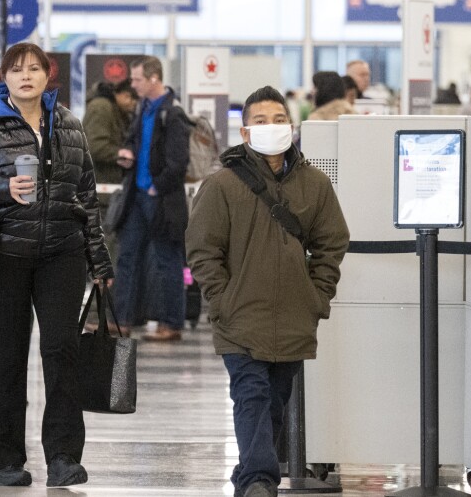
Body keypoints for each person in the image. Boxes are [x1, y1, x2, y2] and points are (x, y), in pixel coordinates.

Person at [0, 43, 113, 488]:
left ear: (46, 75)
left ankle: (63, 457)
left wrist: (99, 259)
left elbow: (86, 196)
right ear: (4, 75)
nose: (25, 76)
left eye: (34, 69)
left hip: (62, 253)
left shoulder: (68, 124)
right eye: (16, 69)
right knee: (9, 354)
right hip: (2, 253)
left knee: (61, 350)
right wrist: (3, 188)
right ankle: (5, 460)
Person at [187, 86, 350, 497]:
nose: (271, 127)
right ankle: (260, 480)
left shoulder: (314, 184)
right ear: (245, 132)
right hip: (240, 316)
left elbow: (332, 242)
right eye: (260, 121)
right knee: (253, 395)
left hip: (294, 315)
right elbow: (202, 249)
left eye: (279, 120)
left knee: (274, 401)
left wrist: (317, 296)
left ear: (291, 127)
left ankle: (249, 474)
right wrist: (222, 300)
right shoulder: (222, 185)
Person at [113, 56, 191, 342]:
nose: (133, 85)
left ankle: (172, 323)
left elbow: (179, 162)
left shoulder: (173, 114)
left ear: (154, 78)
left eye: (137, 79)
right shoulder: (142, 108)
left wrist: (157, 187)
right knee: (127, 256)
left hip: (161, 199)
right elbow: (134, 140)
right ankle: (121, 320)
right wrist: (128, 153)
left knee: (167, 259)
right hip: (137, 194)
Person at [84, 79, 134, 187]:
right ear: (126, 96)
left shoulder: (119, 112)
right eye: (134, 102)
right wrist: (122, 155)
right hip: (100, 184)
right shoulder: (101, 107)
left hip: (108, 182)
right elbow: (96, 146)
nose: (133, 106)